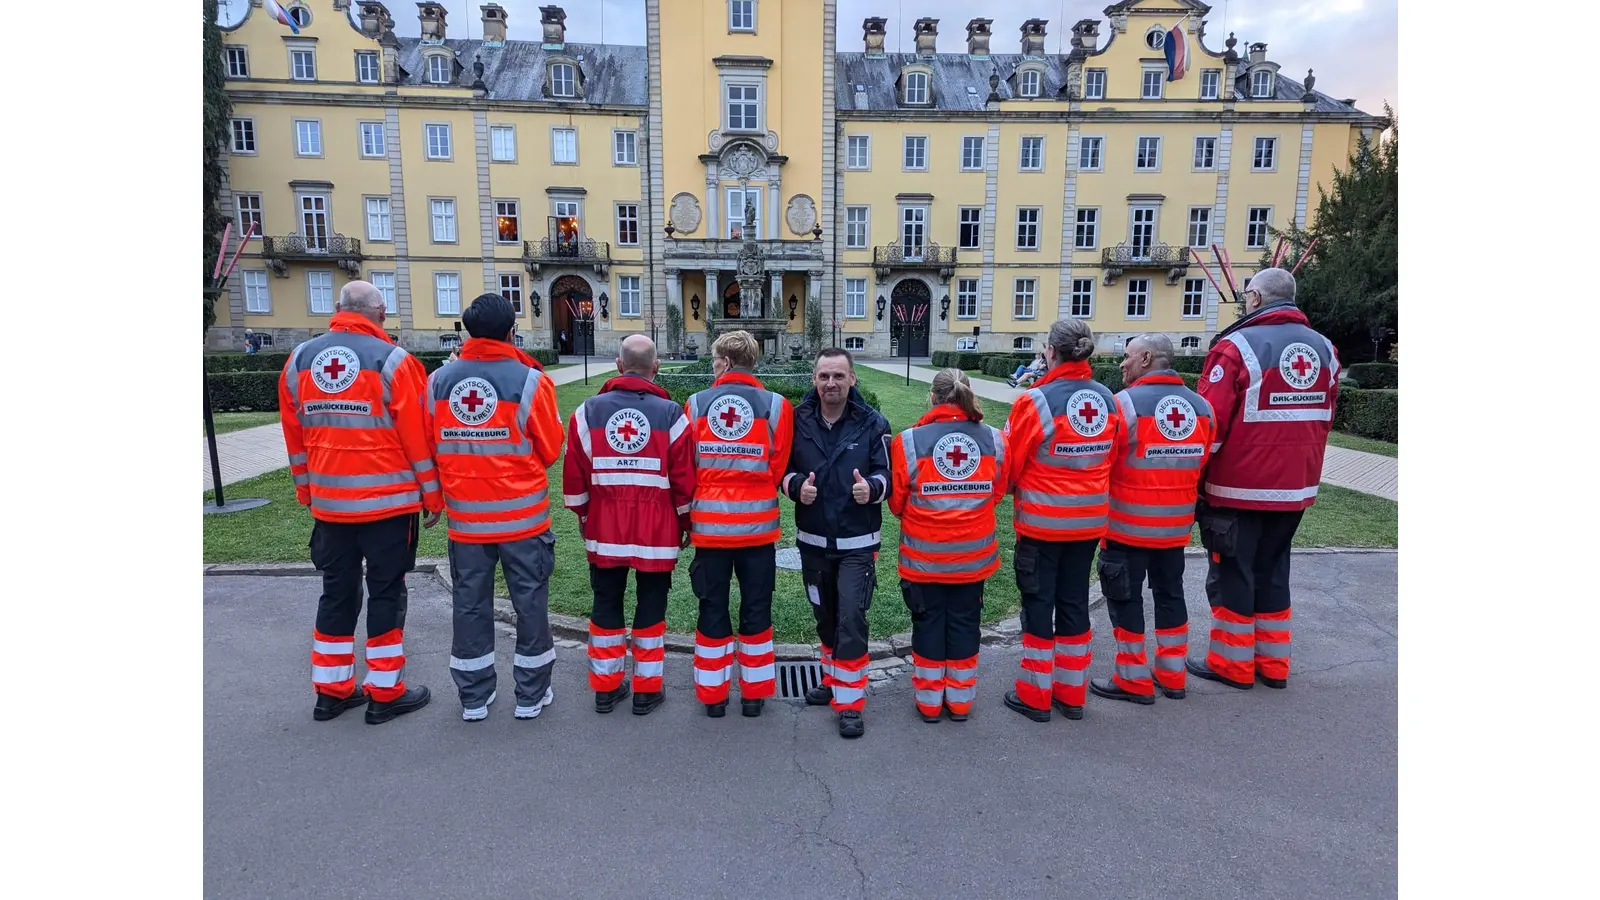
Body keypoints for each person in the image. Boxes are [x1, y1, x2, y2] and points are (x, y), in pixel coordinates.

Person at [278, 280, 441, 725]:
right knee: (386, 592)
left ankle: (331, 692)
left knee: (336, 592)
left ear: (337, 310)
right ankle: (385, 692)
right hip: (388, 505)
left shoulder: (299, 361)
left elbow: (295, 436)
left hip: (330, 505)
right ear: (381, 314)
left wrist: (306, 489)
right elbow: (417, 438)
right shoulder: (395, 361)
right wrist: (433, 495)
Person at [1189, 267, 1340, 691]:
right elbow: (1327, 413)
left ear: (1255, 299)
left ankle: (1232, 666)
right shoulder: (1325, 349)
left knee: (1232, 571)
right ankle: (1273, 666)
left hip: (1237, 488)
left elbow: (1211, 425)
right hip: (1296, 488)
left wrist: (1195, 478)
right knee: (1274, 570)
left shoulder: (1236, 347)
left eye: (1246, 295)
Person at [425, 294, 565, 721]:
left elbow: (428, 446)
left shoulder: (438, 382)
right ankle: (530, 695)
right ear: (511, 332)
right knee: (531, 603)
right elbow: (551, 449)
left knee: (469, 605)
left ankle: (474, 697)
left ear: (467, 331)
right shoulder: (529, 381)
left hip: (466, 520)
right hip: (523, 520)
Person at [564, 334, 696, 717]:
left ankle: (605, 688)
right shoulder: (672, 414)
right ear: (656, 368)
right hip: (657, 530)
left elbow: (574, 480)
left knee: (605, 601)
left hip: (605, 528)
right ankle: (646, 688)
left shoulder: (586, 412)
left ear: (619, 366)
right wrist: (686, 522)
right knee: (652, 603)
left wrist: (585, 516)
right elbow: (684, 480)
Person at [1001, 319, 1125, 723]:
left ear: (1050, 352)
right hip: (1088, 524)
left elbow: (1012, 466)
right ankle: (1072, 694)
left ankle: (1036, 695)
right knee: (1074, 603)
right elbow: (1113, 457)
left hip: (1041, 524)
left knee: (1039, 604)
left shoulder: (1034, 401)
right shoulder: (1108, 398)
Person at [1088, 334, 1215, 705]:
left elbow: (1104, 461)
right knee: (1171, 595)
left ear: (1146, 358)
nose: (1122, 364)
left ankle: (1132, 678)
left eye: (1127, 357)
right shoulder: (1202, 407)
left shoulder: (1123, 405)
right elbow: (1202, 460)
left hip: (1126, 525)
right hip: (1175, 528)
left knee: (1124, 598)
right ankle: (1173, 674)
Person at [781, 348, 891, 739]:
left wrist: (872, 489)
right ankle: (832, 680)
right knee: (825, 617)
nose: (831, 383)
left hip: (857, 541)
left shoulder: (873, 423)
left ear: (852, 380)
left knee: (850, 618)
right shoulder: (795, 421)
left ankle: (850, 703)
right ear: (814, 379)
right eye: (824, 376)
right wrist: (794, 487)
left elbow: (886, 475)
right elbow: (780, 469)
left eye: (838, 376)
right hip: (812, 540)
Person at [685, 330, 794, 718]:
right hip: (758, 529)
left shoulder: (696, 404)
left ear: (726, 362)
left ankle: (713, 697)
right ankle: (753, 694)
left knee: (712, 607)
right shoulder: (778, 406)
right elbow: (778, 465)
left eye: (715, 361)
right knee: (757, 608)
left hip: (711, 529)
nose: (713, 367)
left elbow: (689, 464)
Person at [889, 369, 1006, 724]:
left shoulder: (908, 441)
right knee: (966, 625)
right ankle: (960, 702)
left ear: (933, 396)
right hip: (973, 558)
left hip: (924, 559)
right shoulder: (996, 440)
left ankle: (928, 704)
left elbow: (896, 504)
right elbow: (997, 492)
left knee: (926, 625)